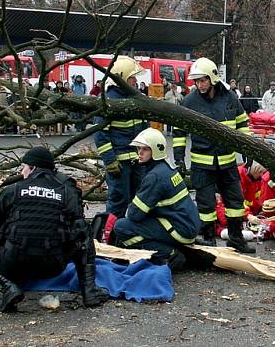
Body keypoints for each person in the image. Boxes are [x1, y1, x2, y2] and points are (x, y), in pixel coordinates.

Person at [0, 147, 108, 312]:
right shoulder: (67, 192)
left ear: (33, 168)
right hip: (53, 265)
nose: (22, 172)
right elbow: (79, 230)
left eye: (23, 167)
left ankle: (9, 287)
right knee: (84, 237)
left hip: (14, 263)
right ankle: (89, 292)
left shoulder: (12, 191)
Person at [172, 57, 255, 253]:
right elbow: (179, 132)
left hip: (227, 162)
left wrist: (248, 151)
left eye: (203, 80)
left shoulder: (230, 98)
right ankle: (208, 241)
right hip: (202, 165)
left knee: (235, 202)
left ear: (213, 78)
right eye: (197, 81)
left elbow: (242, 124)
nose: (199, 85)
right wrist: (178, 159)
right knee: (206, 205)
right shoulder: (189, 102)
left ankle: (236, 238)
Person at [114, 128, 200, 270]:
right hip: (186, 225)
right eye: (139, 149)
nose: (139, 153)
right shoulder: (166, 167)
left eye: (145, 149)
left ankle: (169, 253)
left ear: (155, 151)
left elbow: (134, 215)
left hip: (180, 230)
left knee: (122, 227)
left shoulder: (155, 176)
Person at [93, 56, 149, 222]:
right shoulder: (107, 100)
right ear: (122, 78)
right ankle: (110, 236)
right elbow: (100, 134)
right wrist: (110, 161)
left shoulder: (136, 98)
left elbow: (144, 130)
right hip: (119, 163)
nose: (135, 81)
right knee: (118, 201)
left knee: (140, 200)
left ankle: (132, 234)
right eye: (132, 77)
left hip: (138, 161)